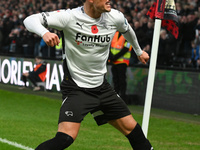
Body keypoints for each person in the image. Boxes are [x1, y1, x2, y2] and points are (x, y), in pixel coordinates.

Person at [23, 0, 153, 149]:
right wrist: (44, 32)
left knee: (133, 131)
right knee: (65, 138)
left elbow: (127, 29)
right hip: (77, 88)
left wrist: (138, 51)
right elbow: (29, 20)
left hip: (102, 88)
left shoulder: (114, 16)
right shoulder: (69, 17)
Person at [109, 31, 132, 103]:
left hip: (122, 62)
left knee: (122, 80)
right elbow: (109, 45)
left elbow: (126, 48)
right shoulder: (114, 34)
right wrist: (111, 56)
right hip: (114, 61)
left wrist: (115, 57)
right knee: (115, 80)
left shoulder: (128, 35)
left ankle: (123, 97)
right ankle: (115, 97)